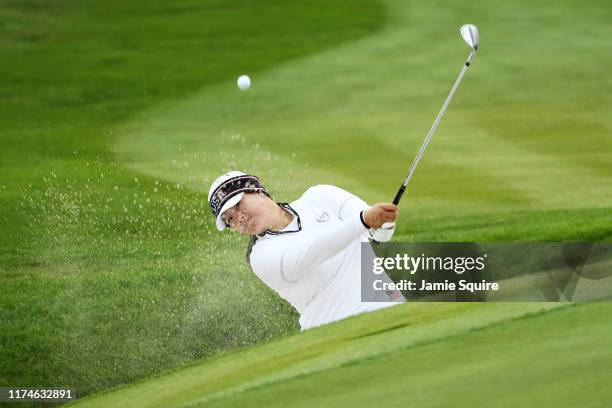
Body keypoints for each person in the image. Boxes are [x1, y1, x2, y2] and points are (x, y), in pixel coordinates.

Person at [208, 171, 405, 331]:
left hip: (392, 309)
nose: (239, 220)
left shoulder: (320, 196)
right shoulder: (260, 257)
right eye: (229, 220)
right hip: (337, 335)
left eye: (238, 205)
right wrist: (364, 220)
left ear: (257, 190)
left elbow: (377, 232)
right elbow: (309, 254)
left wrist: (383, 225)